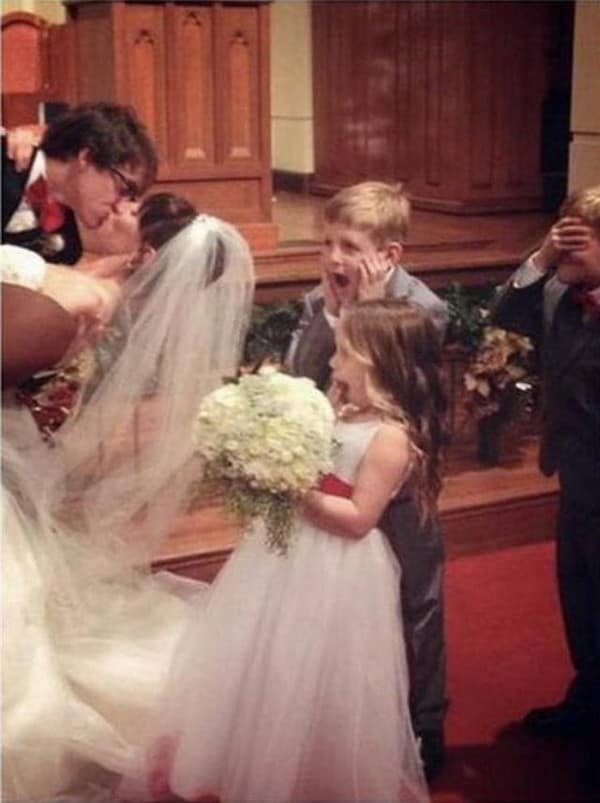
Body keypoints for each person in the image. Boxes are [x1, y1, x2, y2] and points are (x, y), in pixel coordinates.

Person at [121, 298, 444, 803]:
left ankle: (307, 768)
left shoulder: (390, 437)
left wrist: (292, 488)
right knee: (264, 648)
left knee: (316, 663)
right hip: (286, 552)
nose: (333, 363)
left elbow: (359, 520)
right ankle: (247, 749)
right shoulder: (341, 409)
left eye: (343, 354)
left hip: (339, 566)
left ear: (377, 361)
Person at [2, 214, 255, 802]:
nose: (113, 211)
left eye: (128, 207)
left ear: (144, 251)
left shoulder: (85, 301)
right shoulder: (76, 277)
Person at [285, 180, 449, 779]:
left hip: (397, 478)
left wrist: (366, 317)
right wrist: (332, 315)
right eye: (326, 243)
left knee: (416, 597)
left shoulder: (421, 310)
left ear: (389, 255)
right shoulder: (317, 300)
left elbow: (407, 403)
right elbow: (304, 373)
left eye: (349, 245)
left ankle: (426, 722)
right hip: (343, 469)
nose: (333, 259)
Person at [491, 185, 600, 792]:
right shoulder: (560, 295)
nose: (568, 243)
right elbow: (507, 315)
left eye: (580, 234)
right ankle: (587, 699)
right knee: (580, 600)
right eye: (564, 229)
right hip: (577, 478)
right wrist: (539, 257)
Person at [2, 102, 157, 264]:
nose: (119, 207)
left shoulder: (70, 247)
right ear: (87, 158)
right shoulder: (7, 159)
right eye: (123, 189)